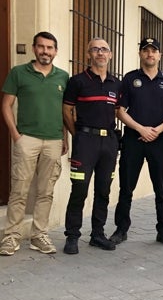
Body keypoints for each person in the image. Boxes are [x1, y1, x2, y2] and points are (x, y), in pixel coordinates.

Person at [0, 32, 69, 256]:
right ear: (34, 48)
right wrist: (15, 136)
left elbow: (65, 111)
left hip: (53, 140)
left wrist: (65, 137)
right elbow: (6, 105)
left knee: (45, 191)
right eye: (41, 47)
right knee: (19, 189)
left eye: (50, 48)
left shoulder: (63, 77)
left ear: (55, 51)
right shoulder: (19, 73)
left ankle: (39, 235)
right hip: (27, 138)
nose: (45, 52)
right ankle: (11, 236)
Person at [110, 38, 163, 247]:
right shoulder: (130, 79)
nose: (150, 54)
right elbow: (119, 110)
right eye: (146, 50)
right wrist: (141, 129)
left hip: (159, 141)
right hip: (133, 140)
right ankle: (121, 229)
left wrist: (156, 130)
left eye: (154, 51)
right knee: (126, 187)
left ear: (159, 55)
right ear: (140, 54)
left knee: (161, 188)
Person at [62, 38, 121, 254]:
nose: (100, 53)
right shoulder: (78, 81)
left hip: (109, 143)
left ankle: (97, 234)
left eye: (104, 49)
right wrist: (77, 135)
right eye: (95, 49)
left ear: (110, 55)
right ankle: (72, 236)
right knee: (79, 189)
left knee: (103, 190)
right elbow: (66, 111)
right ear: (89, 54)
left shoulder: (116, 84)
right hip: (85, 141)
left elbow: (119, 111)